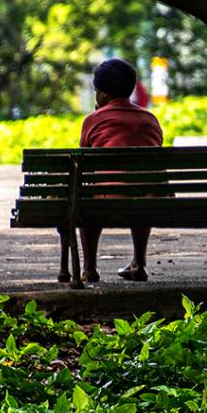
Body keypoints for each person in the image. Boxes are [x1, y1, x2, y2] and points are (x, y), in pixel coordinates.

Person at [79, 57, 163, 283]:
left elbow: (84, 163)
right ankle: (139, 263)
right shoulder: (151, 119)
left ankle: (89, 268)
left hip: (106, 200)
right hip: (150, 201)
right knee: (142, 190)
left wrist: (98, 114)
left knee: (86, 199)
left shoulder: (93, 120)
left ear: (103, 94)